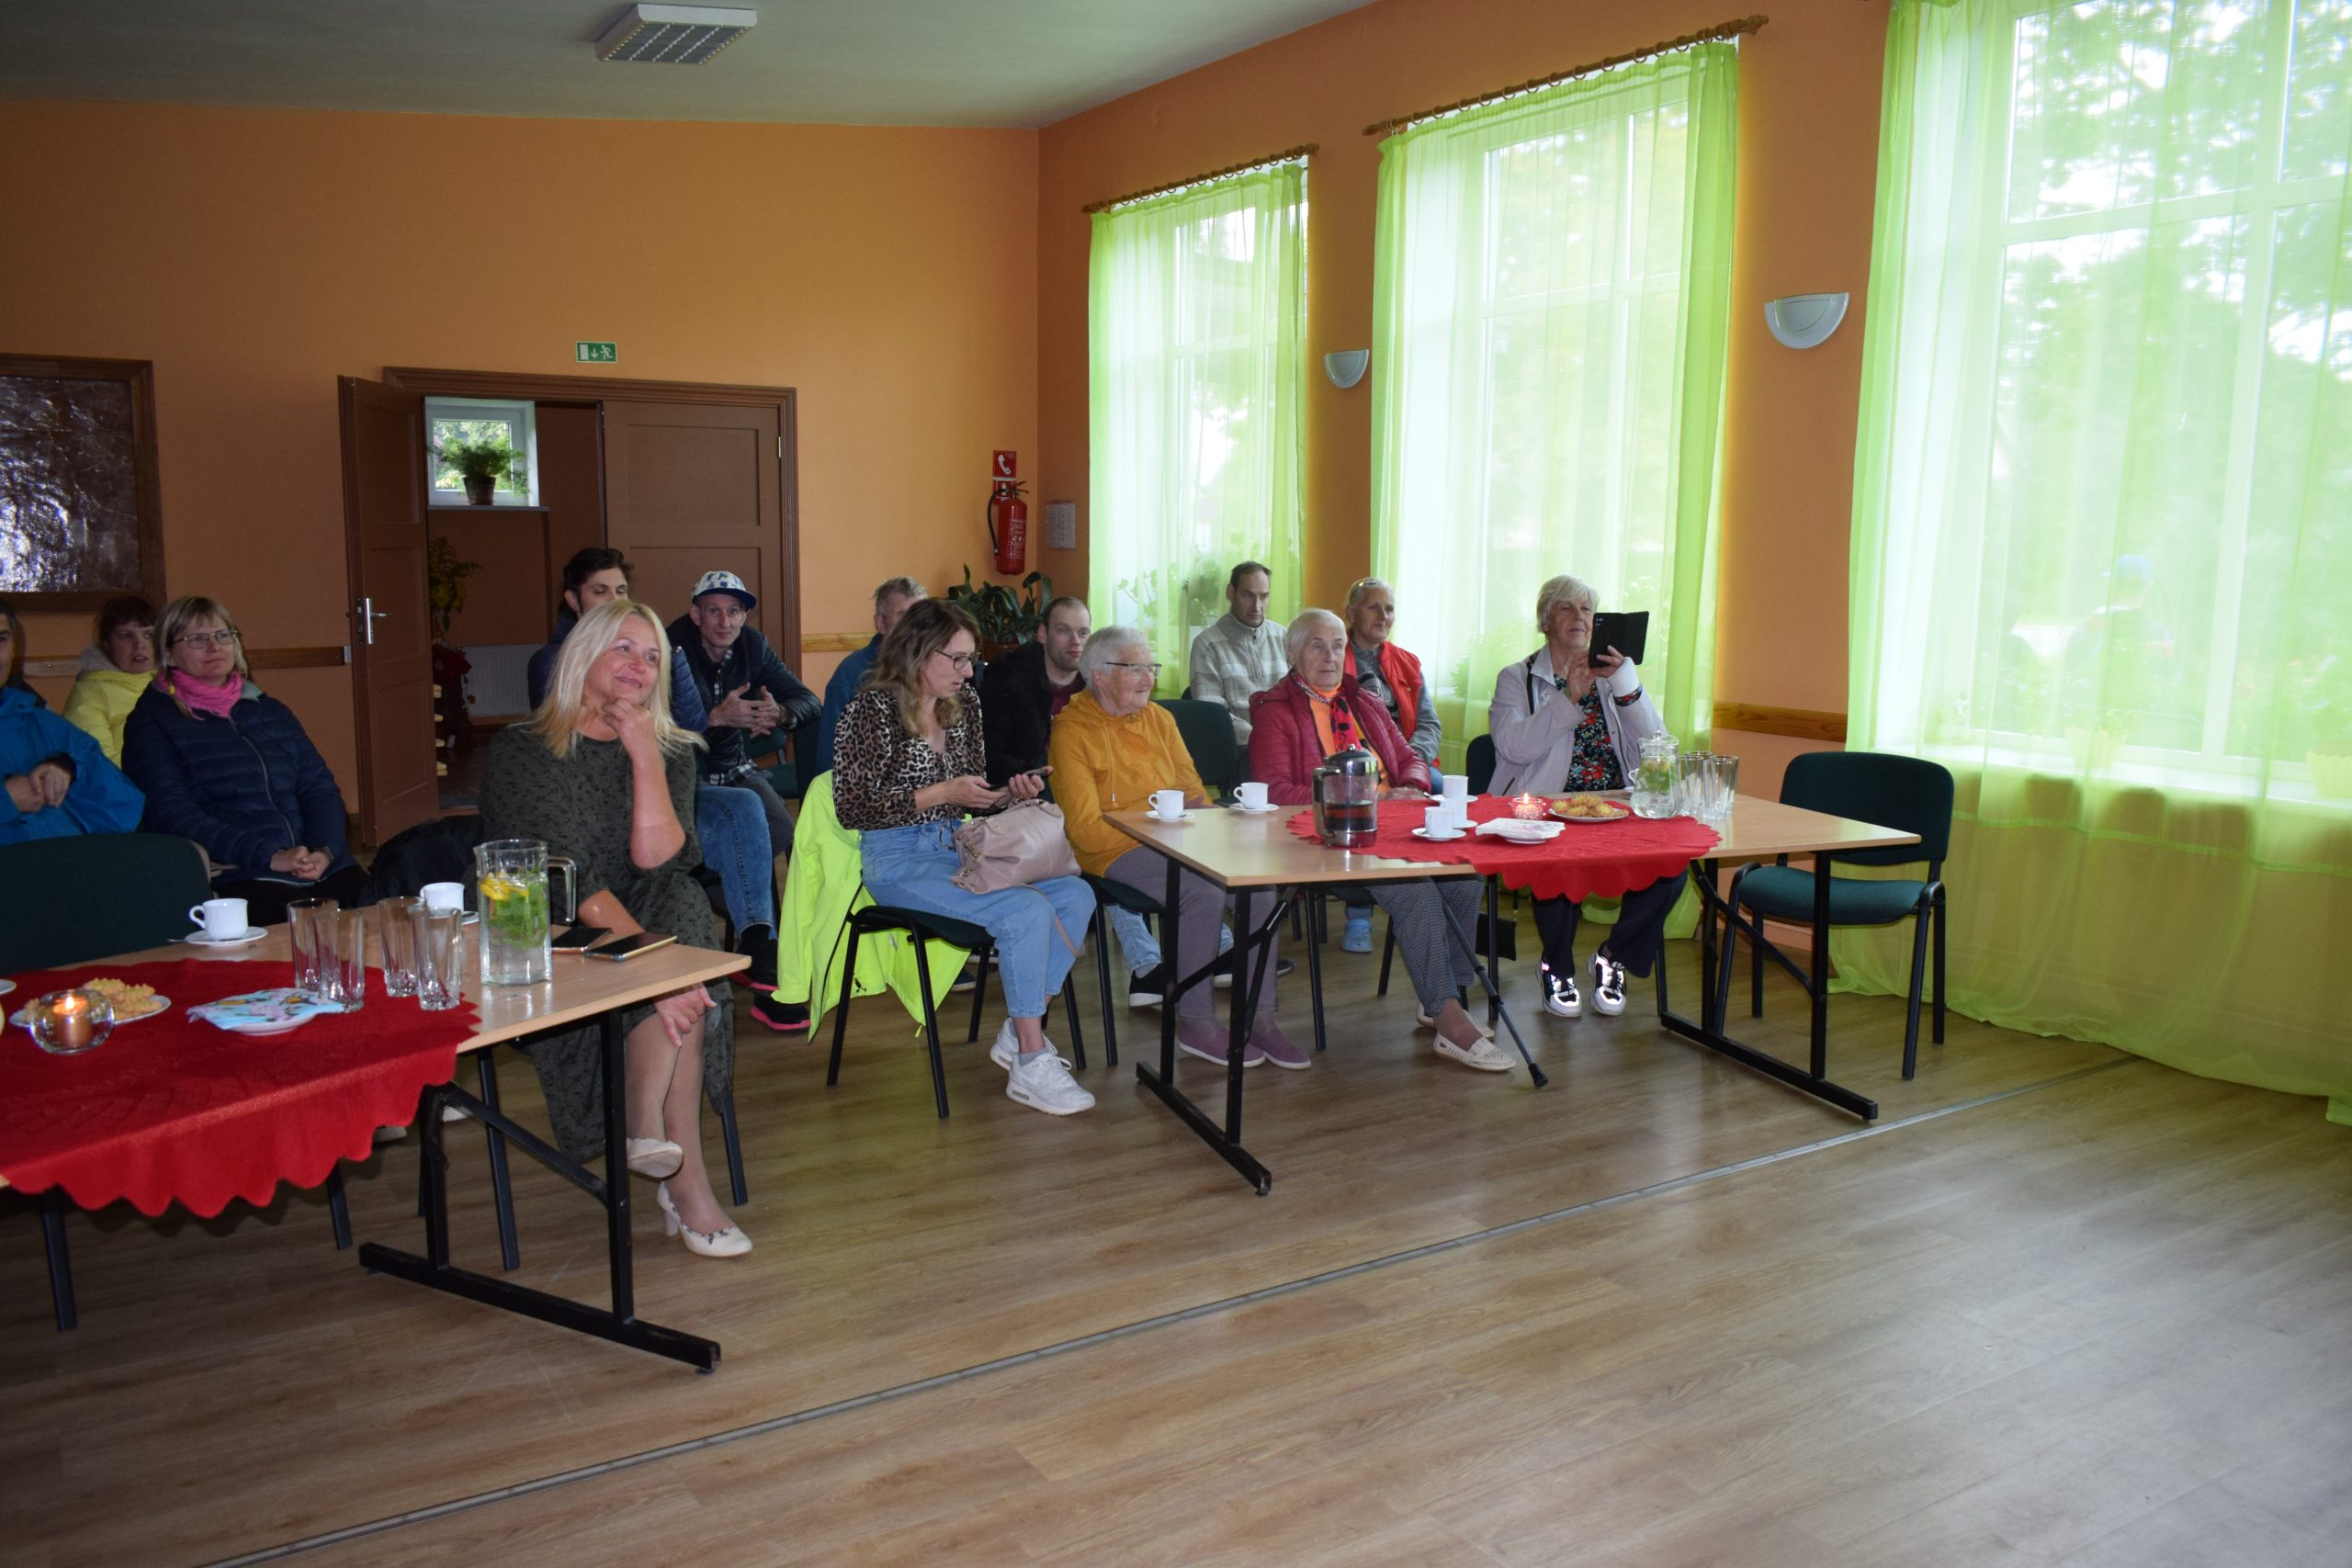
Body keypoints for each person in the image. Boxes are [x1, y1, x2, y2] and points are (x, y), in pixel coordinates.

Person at [481, 599, 749, 1258]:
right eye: (623, 649)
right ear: (584, 654)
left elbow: (658, 862)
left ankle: (650, 1135)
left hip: (643, 906)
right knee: (685, 979)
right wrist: (660, 971)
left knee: (683, 905)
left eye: (652, 656)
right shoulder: (523, 749)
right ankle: (683, 1180)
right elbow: (568, 885)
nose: (639, 666)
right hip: (549, 927)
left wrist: (645, 756)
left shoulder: (670, 749)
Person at [831, 598, 1098, 1115]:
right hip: (896, 859)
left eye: (970, 659)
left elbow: (973, 796)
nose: (968, 671)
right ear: (917, 651)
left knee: (1075, 893)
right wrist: (941, 792)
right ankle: (1030, 1059)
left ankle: (1021, 1027)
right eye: (955, 659)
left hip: (958, 843)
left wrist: (1008, 794)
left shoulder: (965, 704)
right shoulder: (871, 709)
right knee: (1023, 911)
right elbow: (853, 808)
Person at [526, 548, 792, 1025]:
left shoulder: (680, 654)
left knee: (748, 808)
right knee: (729, 833)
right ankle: (740, 935)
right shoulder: (552, 665)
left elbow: (684, 728)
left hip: (675, 783)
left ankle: (759, 944)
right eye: (600, 591)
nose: (613, 599)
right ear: (574, 600)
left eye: (621, 590)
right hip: (605, 824)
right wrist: (713, 717)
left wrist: (765, 712)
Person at [1250, 610, 1511, 1072]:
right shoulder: (1276, 711)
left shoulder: (1364, 701)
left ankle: (1442, 997)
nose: (1330, 655)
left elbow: (1410, 758)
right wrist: (1363, 797)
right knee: (1415, 891)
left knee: (1464, 878)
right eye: (1316, 644)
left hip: (1395, 825)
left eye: (1337, 645)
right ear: (1291, 654)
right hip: (1331, 838)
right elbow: (1275, 792)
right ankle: (1450, 1021)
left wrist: (1410, 786)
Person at [1052, 626, 1303, 1068]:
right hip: (1112, 850)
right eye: (1135, 668)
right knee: (1201, 890)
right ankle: (1196, 1021)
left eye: (1150, 667)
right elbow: (1086, 830)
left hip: (1178, 838)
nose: (1149, 678)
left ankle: (1259, 1018)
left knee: (1259, 888)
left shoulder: (1160, 719)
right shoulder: (1071, 732)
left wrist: (1205, 826)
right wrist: (1163, 830)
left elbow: (1193, 794)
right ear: (1099, 675)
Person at [1487, 574, 1685, 1020]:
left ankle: (1613, 956)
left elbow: (1656, 747)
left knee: (1672, 867)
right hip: (1545, 806)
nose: (1579, 616)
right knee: (1559, 865)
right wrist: (1568, 697)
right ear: (1545, 621)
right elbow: (1514, 747)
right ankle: (1556, 967)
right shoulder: (1516, 677)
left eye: (1587, 609)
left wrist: (1627, 688)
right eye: (1566, 608)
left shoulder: (1612, 678)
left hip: (1615, 805)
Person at [120, 595, 368, 922]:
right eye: (197, 639)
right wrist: (270, 856)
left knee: (385, 909)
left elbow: (318, 787)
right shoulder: (151, 721)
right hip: (238, 872)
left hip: (318, 865)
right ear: (168, 654)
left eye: (223, 635)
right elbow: (171, 813)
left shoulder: (269, 710)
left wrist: (325, 850)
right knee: (307, 928)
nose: (214, 647)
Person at [668, 570, 820, 876]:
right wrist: (714, 716)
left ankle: (727, 888)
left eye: (734, 611)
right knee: (698, 841)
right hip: (684, 770)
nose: (725, 622)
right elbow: (659, 723)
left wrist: (780, 713)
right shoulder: (672, 646)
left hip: (732, 764)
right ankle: (716, 890)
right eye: (714, 611)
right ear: (696, 615)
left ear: (743, 616)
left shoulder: (753, 645)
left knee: (779, 826)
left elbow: (810, 701)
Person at [1335, 577, 1438, 956]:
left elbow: (1429, 724)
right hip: (1357, 761)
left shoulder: (1408, 662)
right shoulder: (1333, 657)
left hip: (1407, 760)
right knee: (1360, 802)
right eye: (1373, 607)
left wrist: (1410, 762)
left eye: (1389, 609)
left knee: (1439, 789)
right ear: (1351, 613)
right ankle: (1359, 913)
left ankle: (1430, 892)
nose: (1383, 616)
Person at [0, 595, 144, 844]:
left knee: (178, 857)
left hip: (73, 860)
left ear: (13, 647)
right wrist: (6, 800)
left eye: (1, 640)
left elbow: (126, 811)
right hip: (20, 864)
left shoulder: (41, 723)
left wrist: (71, 770)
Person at [810, 576, 925, 784]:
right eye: (904, 617)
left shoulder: (940, 668)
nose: (915, 626)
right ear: (880, 623)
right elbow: (831, 763)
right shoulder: (851, 675)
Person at [1187, 560, 1287, 745]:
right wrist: (1263, 739)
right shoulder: (1207, 645)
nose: (1257, 606)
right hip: (1239, 747)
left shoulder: (1283, 637)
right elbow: (1213, 712)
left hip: (1286, 740)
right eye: (1248, 595)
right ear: (1230, 593)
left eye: (1264, 597)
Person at [61, 595, 158, 765]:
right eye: (126, 636)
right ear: (107, 644)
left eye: (148, 635)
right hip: (127, 780)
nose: (139, 644)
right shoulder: (88, 693)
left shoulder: (175, 683)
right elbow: (95, 760)